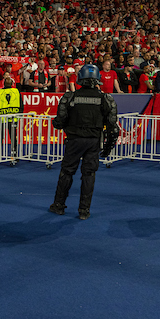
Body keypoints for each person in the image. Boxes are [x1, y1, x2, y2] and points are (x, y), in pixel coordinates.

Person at [49, 64, 118, 220]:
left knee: (67, 172)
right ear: (97, 79)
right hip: (93, 141)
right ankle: (84, 210)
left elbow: (59, 122)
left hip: (74, 140)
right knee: (89, 174)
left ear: (80, 79)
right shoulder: (105, 98)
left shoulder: (70, 97)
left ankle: (59, 205)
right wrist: (107, 148)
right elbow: (113, 128)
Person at [0, 74, 24, 159]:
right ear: (11, 84)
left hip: (1, 119)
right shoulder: (17, 92)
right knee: (13, 138)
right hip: (13, 118)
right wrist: (19, 115)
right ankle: (14, 155)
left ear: (3, 83)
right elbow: (21, 105)